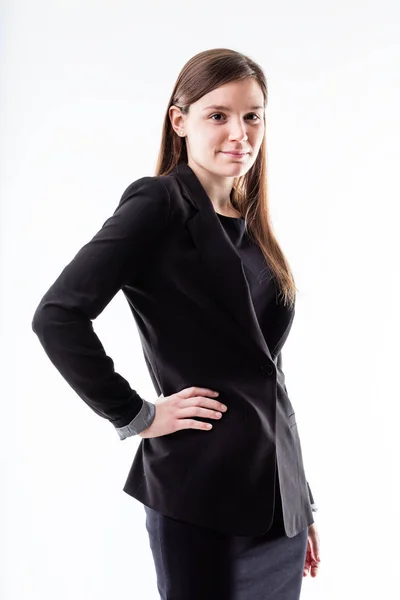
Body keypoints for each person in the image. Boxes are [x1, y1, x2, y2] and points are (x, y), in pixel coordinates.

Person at [32, 47, 321, 599]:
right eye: (219, 115)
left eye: (253, 115)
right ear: (179, 119)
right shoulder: (158, 203)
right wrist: (136, 414)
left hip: (276, 508)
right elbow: (57, 316)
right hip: (199, 497)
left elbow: (270, 377)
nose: (240, 132)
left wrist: (300, 500)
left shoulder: (252, 223)